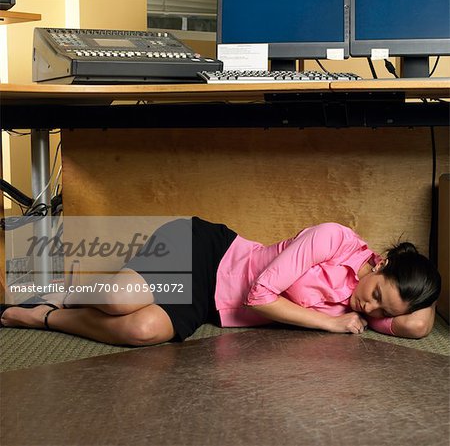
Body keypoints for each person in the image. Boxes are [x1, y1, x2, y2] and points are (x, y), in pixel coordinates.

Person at [0, 217, 441, 346]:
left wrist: (420, 290)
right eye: (377, 294)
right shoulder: (334, 238)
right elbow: (260, 295)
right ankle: (57, 291)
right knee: (117, 300)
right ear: (381, 262)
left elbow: (418, 326)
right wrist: (329, 323)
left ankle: (44, 317)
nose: (370, 310)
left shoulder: (376, 306)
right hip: (208, 253)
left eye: (384, 312)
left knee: (141, 329)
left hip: (214, 306)